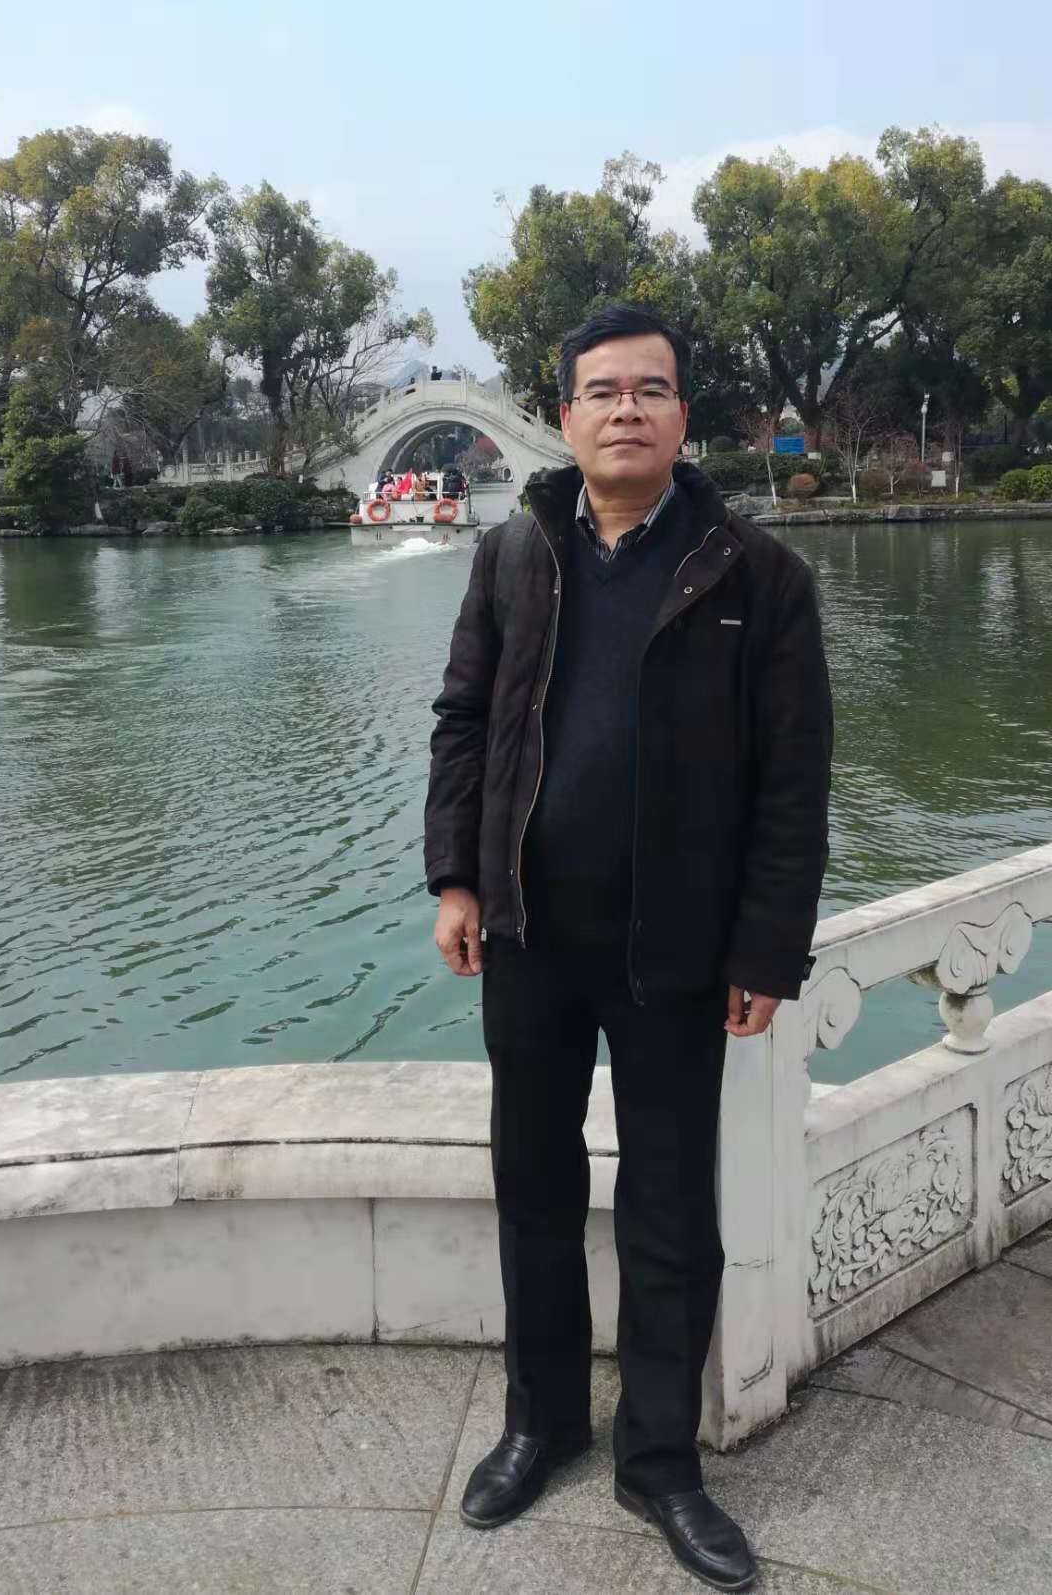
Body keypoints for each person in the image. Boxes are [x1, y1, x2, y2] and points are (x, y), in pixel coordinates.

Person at [425, 302, 832, 1589]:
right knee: (535, 1190)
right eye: (602, 391)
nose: (626, 410)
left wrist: (767, 950)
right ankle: (541, 1422)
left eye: (650, 391)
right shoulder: (514, 555)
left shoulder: (755, 574)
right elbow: (464, 722)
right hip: (529, 936)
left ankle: (660, 1463)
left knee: (668, 1210)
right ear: (564, 416)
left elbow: (793, 784)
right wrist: (455, 878)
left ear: (682, 417)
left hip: (677, 951)